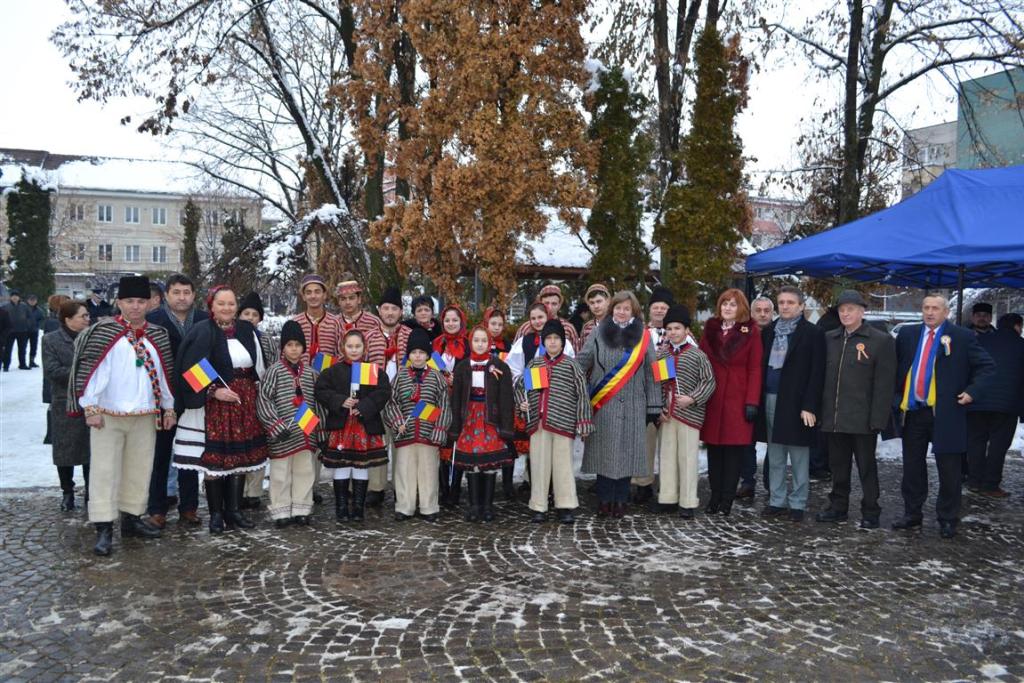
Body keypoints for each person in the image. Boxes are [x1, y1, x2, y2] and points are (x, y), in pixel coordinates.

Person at [68, 275, 176, 556]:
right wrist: (89, 407)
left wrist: (168, 407)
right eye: (130, 301)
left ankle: (131, 519)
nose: (136, 307)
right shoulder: (103, 332)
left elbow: (165, 376)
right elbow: (91, 371)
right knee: (105, 471)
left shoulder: (157, 335)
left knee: (139, 468)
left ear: (150, 303)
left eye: (141, 301)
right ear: (119, 302)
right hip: (108, 414)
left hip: (145, 413)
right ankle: (103, 527)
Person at [893, 294, 995, 538]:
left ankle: (948, 518)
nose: (929, 312)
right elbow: (897, 367)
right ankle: (912, 513)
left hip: (946, 413)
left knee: (949, 470)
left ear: (946, 312)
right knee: (912, 467)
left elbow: (987, 367)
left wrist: (972, 392)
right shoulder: (908, 334)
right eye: (925, 307)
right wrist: (896, 398)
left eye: (935, 308)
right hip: (914, 412)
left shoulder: (962, 336)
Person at [173, 285, 270, 534]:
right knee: (215, 462)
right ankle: (216, 514)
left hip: (243, 402)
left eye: (230, 304)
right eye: (221, 304)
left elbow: (258, 366)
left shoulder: (247, 330)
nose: (227, 308)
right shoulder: (203, 332)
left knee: (238, 460)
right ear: (211, 306)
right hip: (214, 406)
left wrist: (258, 395)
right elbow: (191, 369)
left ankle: (233, 511)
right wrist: (214, 391)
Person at [815, 290, 897, 529]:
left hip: (863, 419)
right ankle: (838, 507)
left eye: (851, 309)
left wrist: (878, 419)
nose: (846, 313)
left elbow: (884, 384)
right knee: (838, 467)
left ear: (862, 311)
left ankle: (871, 510)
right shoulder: (829, 338)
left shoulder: (880, 340)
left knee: (866, 468)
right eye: (842, 309)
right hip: (835, 416)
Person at [577, 291, 662, 518]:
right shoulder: (598, 332)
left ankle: (621, 501)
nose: (622, 312)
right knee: (604, 454)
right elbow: (581, 362)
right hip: (604, 405)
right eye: (618, 308)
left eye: (627, 308)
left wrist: (654, 407)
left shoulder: (644, 337)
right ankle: (604, 500)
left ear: (633, 311)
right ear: (611, 309)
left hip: (634, 405)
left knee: (626, 455)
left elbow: (652, 372)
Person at [756, 286, 825, 522]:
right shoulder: (769, 331)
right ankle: (776, 500)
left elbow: (817, 373)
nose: (785, 306)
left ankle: (797, 503)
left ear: (801, 306)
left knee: (798, 456)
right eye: (782, 302)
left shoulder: (813, 333)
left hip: (797, 403)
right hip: (770, 398)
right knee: (774, 455)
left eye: (790, 302)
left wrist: (810, 405)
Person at [516, 319, 593, 523]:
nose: (552, 342)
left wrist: (583, 422)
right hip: (539, 424)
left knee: (563, 466)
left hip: (562, 423)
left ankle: (565, 505)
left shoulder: (571, 365)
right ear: (543, 341)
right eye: (548, 338)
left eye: (556, 338)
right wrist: (522, 404)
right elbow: (522, 389)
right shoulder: (535, 364)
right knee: (539, 466)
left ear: (562, 341)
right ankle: (539, 505)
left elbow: (582, 395)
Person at [145, 273, 205, 528]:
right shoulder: (154, 321)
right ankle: (156, 508)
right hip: (162, 399)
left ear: (193, 295)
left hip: (195, 396)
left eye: (186, 292)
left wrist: (197, 386)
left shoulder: (204, 320)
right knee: (160, 455)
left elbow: (211, 355)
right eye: (176, 292)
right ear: (166, 295)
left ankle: (189, 507)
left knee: (189, 454)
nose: (182, 297)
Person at [315, 329, 392, 522]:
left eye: (358, 346)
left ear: (364, 348)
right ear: (343, 347)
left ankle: (358, 507)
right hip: (341, 426)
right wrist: (340, 400)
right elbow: (321, 390)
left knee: (360, 467)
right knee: (341, 466)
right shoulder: (332, 371)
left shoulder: (373, 370)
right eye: (350, 346)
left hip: (364, 425)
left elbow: (383, 392)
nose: (354, 350)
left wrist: (366, 406)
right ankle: (341, 507)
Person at [700, 289, 763, 516]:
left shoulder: (751, 331)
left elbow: (755, 368)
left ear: (741, 308)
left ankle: (727, 500)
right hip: (714, 398)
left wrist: (752, 401)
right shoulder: (710, 329)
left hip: (738, 399)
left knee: (733, 453)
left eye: (733, 304)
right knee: (714, 451)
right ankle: (714, 496)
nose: (727, 308)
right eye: (724, 303)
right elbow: (701, 362)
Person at [256, 320, 324, 527]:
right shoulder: (273, 372)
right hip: (282, 433)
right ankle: (281, 510)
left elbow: (318, 403)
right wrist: (275, 426)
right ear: (282, 348)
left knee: (305, 471)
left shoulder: (312, 373)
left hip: (306, 433)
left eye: (297, 345)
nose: (294, 349)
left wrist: (320, 433)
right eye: (289, 345)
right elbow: (264, 400)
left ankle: (302, 507)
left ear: (303, 348)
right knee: (280, 474)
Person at [384, 327, 452, 522]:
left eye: (422, 353)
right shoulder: (400, 377)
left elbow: (444, 405)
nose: (418, 356)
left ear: (428, 355)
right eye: (414, 352)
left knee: (428, 471)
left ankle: (428, 506)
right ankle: (404, 506)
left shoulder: (437, 378)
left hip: (428, 434)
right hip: (406, 433)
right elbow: (391, 402)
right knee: (404, 470)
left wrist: (439, 431)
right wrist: (397, 422)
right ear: (409, 355)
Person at [448, 326, 516, 522]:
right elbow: (456, 398)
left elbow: (506, 398)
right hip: (469, 418)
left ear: (490, 343)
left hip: (490, 419)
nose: (480, 344)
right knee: (472, 464)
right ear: (471, 342)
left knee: (488, 464)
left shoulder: (500, 366)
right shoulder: (462, 367)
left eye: (483, 341)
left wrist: (506, 425)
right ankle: (474, 506)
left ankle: (487, 506)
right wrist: (455, 425)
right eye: (476, 340)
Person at [655, 305, 716, 518]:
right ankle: (668, 497)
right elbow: (659, 384)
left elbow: (709, 382)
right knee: (667, 457)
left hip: (689, 415)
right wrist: (659, 409)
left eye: (677, 328)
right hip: (668, 415)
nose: (673, 332)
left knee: (687, 458)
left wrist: (692, 398)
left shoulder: (698, 355)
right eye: (669, 328)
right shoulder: (662, 355)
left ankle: (688, 501)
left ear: (687, 330)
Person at [966, 313, 1024, 498]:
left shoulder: (981, 341)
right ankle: (990, 484)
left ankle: (974, 481)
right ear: (1017, 326)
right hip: (1007, 404)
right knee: (998, 445)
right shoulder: (1021, 345)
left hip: (977, 399)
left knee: (976, 442)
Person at [42, 299, 92, 511]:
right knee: (65, 452)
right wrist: (82, 374)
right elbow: (52, 371)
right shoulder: (51, 340)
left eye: (88, 315)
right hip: (64, 403)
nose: (88, 319)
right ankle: (67, 491)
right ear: (68, 319)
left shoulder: (92, 338)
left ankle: (92, 492)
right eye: (83, 316)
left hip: (91, 403)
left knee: (91, 452)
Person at [633, 285, 675, 504]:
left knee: (667, 446)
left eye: (664, 307)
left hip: (670, 398)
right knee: (645, 443)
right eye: (656, 307)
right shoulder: (640, 333)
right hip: (645, 396)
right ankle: (643, 484)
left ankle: (668, 487)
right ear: (649, 311)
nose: (659, 311)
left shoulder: (678, 332)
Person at [373, 286, 410, 507]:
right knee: (378, 443)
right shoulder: (369, 336)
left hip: (401, 400)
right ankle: (375, 488)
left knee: (401, 446)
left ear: (400, 312)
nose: (389, 313)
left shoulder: (410, 335)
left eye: (394, 309)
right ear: (379, 311)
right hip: (376, 399)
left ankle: (400, 488)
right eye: (386, 308)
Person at [238, 290, 276, 509]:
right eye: (246, 313)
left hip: (260, 397)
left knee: (258, 445)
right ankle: (239, 489)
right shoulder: (231, 337)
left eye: (254, 314)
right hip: (238, 399)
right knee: (241, 444)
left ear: (260, 318)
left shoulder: (267, 341)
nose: (250, 318)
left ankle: (254, 490)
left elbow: (272, 367)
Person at [737, 295, 775, 499]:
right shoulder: (742, 335)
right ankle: (747, 481)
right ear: (751, 313)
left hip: (771, 395)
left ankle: (771, 483)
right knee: (747, 442)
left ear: (772, 313)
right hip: (747, 396)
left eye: (766, 310)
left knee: (773, 442)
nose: (762, 314)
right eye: (758, 310)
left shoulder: (780, 334)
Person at [435, 304, 470, 508]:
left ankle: (456, 488)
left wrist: (459, 379)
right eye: (447, 320)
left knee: (457, 444)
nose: (450, 323)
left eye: (454, 320)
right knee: (441, 443)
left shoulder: (467, 345)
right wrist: (442, 379)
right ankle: (443, 489)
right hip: (440, 400)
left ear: (461, 322)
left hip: (460, 401)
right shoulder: (436, 344)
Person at [483, 307, 516, 499]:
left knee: (507, 442)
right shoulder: (478, 343)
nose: (496, 328)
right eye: (492, 324)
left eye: (500, 324)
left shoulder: (508, 346)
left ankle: (507, 484)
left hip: (503, 399)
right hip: (483, 400)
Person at [292, 273, 342, 365]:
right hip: (300, 376)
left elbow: (342, 354)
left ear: (324, 295)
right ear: (303, 296)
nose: (313, 296)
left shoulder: (335, 323)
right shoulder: (295, 323)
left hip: (328, 376)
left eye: (317, 292)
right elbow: (285, 356)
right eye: (308, 292)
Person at [336, 276, 386, 365]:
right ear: (339, 301)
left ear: (359, 299)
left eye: (351, 298)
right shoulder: (334, 323)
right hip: (339, 372)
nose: (347, 302)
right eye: (343, 299)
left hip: (366, 371)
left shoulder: (373, 321)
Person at [514, 284, 579, 350]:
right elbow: (514, 355)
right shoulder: (526, 328)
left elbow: (576, 356)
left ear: (559, 305)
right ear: (540, 303)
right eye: (546, 303)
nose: (550, 307)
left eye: (554, 304)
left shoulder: (568, 328)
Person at [41, 295, 70, 445]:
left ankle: (51, 433)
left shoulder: (55, 320)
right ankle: (51, 433)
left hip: (58, 366)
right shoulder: (54, 322)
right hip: (56, 366)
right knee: (54, 402)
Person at [2, 289, 32, 370]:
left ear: (19, 297)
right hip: (10, 332)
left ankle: (22, 364)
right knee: (8, 349)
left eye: (16, 296)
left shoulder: (24, 306)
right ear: (10, 297)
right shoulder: (5, 307)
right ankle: (6, 365)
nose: (15, 298)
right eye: (13, 296)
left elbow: (29, 317)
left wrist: (27, 325)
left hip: (22, 330)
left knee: (22, 349)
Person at [578, 283, 611, 348]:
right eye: (592, 303)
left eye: (599, 301)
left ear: (608, 301)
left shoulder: (619, 323)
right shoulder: (587, 327)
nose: (596, 306)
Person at [25, 294, 44, 368]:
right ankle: (22, 362)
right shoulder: (24, 308)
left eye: (34, 300)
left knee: (34, 347)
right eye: (31, 300)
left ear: (36, 301)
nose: (32, 301)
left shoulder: (39, 310)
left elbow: (42, 319)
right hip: (25, 331)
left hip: (34, 331)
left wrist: (37, 325)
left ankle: (32, 361)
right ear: (28, 300)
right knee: (23, 347)